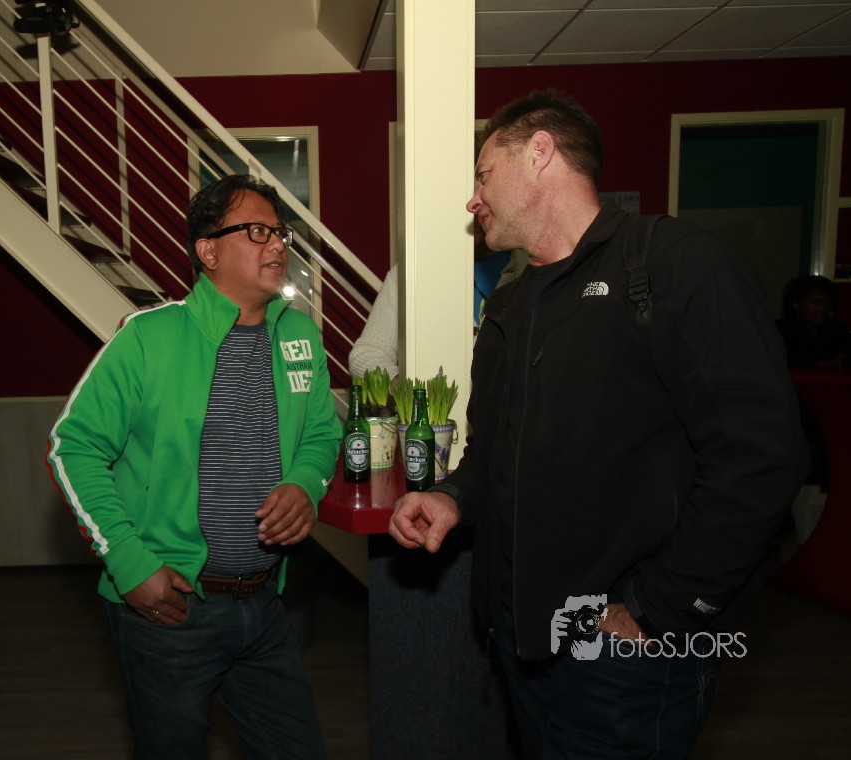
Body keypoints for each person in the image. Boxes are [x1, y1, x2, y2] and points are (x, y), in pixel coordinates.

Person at [389, 90, 808, 759]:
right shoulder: (510, 305)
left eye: (483, 175)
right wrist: (452, 497)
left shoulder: (674, 262)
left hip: (626, 653)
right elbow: (493, 451)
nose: (473, 199)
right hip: (522, 642)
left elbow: (761, 457)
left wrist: (658, 607)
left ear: (540, 152)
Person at [47, 174, 340, 759]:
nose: (277, 244)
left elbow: (321, 433)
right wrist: (129, 563)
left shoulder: (301, 335)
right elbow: (71, 447)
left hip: (265, 604)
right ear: (208, 251)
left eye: (280, 232)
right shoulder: (148, 338)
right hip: (170, 609)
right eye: (256, 231)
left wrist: (305, 484)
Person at [347, 224, 527, 377]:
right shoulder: (413, 271)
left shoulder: (530, 268)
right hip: (437, 408)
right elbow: (366, 354)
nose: (474, 212)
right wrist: (407, 389)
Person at [776, 274, 851, 368]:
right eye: (816, 302)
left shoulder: (837, 328)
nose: (824, 308)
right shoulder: (781, 330)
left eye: (827, 303)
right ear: (797, 304)